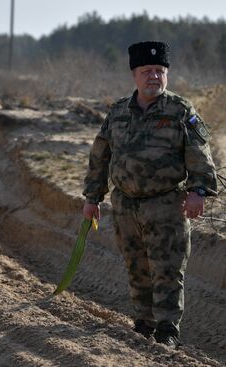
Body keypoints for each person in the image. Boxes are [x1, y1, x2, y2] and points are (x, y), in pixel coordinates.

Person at [82, 41, 217, 348]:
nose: (154, 76)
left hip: (166, 205)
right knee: (136, 266)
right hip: (125, 205)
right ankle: (143, 323)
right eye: (147, 71)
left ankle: (167, 331)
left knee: (167, 269)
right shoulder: (117, 112)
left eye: (160, 70)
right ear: (135, 75)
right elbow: (99, 157)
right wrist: (92, 198)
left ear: (166, 74)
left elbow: (200, 154)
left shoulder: (181, 111)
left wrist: (198, 191)